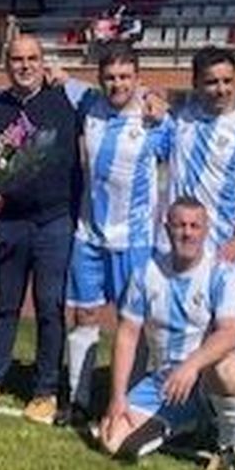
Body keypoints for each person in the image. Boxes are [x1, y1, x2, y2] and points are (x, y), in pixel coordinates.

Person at [0, 35, 85, 426]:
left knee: (50, 307)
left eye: (32, 58)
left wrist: (150, 99)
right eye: (17, 59)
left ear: (43, 62)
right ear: (7, 64)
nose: (25, 66)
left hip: (54, 220)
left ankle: (45, 389)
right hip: (11, 221)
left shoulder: (64, 98)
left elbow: (109, 99)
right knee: (5, 305)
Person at [94, 197, 235, 470]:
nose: (187, 233)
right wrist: (117, 397)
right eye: (180, 225)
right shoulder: (145, 273)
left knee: (228, 369)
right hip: (164, 383)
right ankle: (187, 424)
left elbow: (231, 334)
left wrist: (191, 366)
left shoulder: (225, 274)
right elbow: (127, 336)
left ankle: (228, 446)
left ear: (205, 230)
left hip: (206, 379)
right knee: (111, 441)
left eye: (194, 226)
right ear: (167, 228)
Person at [63, 43, 171, 426]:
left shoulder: (155, 120)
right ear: (100, 79)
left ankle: (130, 399)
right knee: (85, 314)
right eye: (110, 77)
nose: (117, 84)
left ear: (137, 79)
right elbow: (60, 78)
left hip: (134, 241)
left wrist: (158, 98)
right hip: (89, 235)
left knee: (132, 320)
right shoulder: (90, 104)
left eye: (125, 77)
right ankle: (77, 397)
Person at [163, 45, 235, 263]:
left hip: (219, 250)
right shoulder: (179, 118)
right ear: (195, 84)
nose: (222, 89)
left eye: (227, 81)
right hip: (173, 246)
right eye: (212, 82)